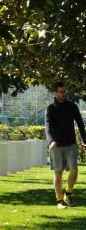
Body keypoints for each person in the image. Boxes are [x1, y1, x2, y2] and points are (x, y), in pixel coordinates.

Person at [45, 81, 86, 209]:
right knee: (58, 173)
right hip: (56, 145)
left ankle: (68, 193)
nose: (64, 94)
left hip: (71, 144)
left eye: (65, 92)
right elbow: (48, 127)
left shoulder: (72, 106)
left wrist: (85, 140)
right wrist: (51, 141)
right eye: (61, 92)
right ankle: (59, 201)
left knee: (74, 169)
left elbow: (80, 124)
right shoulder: (50, 108)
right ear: (55, 93)